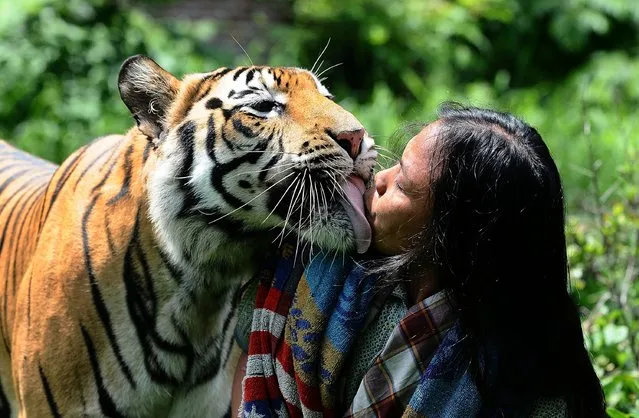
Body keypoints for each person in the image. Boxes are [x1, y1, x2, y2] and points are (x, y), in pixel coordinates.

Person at [234, 103, 606, 417]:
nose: (377, 179)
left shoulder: (531, 387)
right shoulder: (314, 275)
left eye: (403, 184)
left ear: (451, 234)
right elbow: (246, 364)